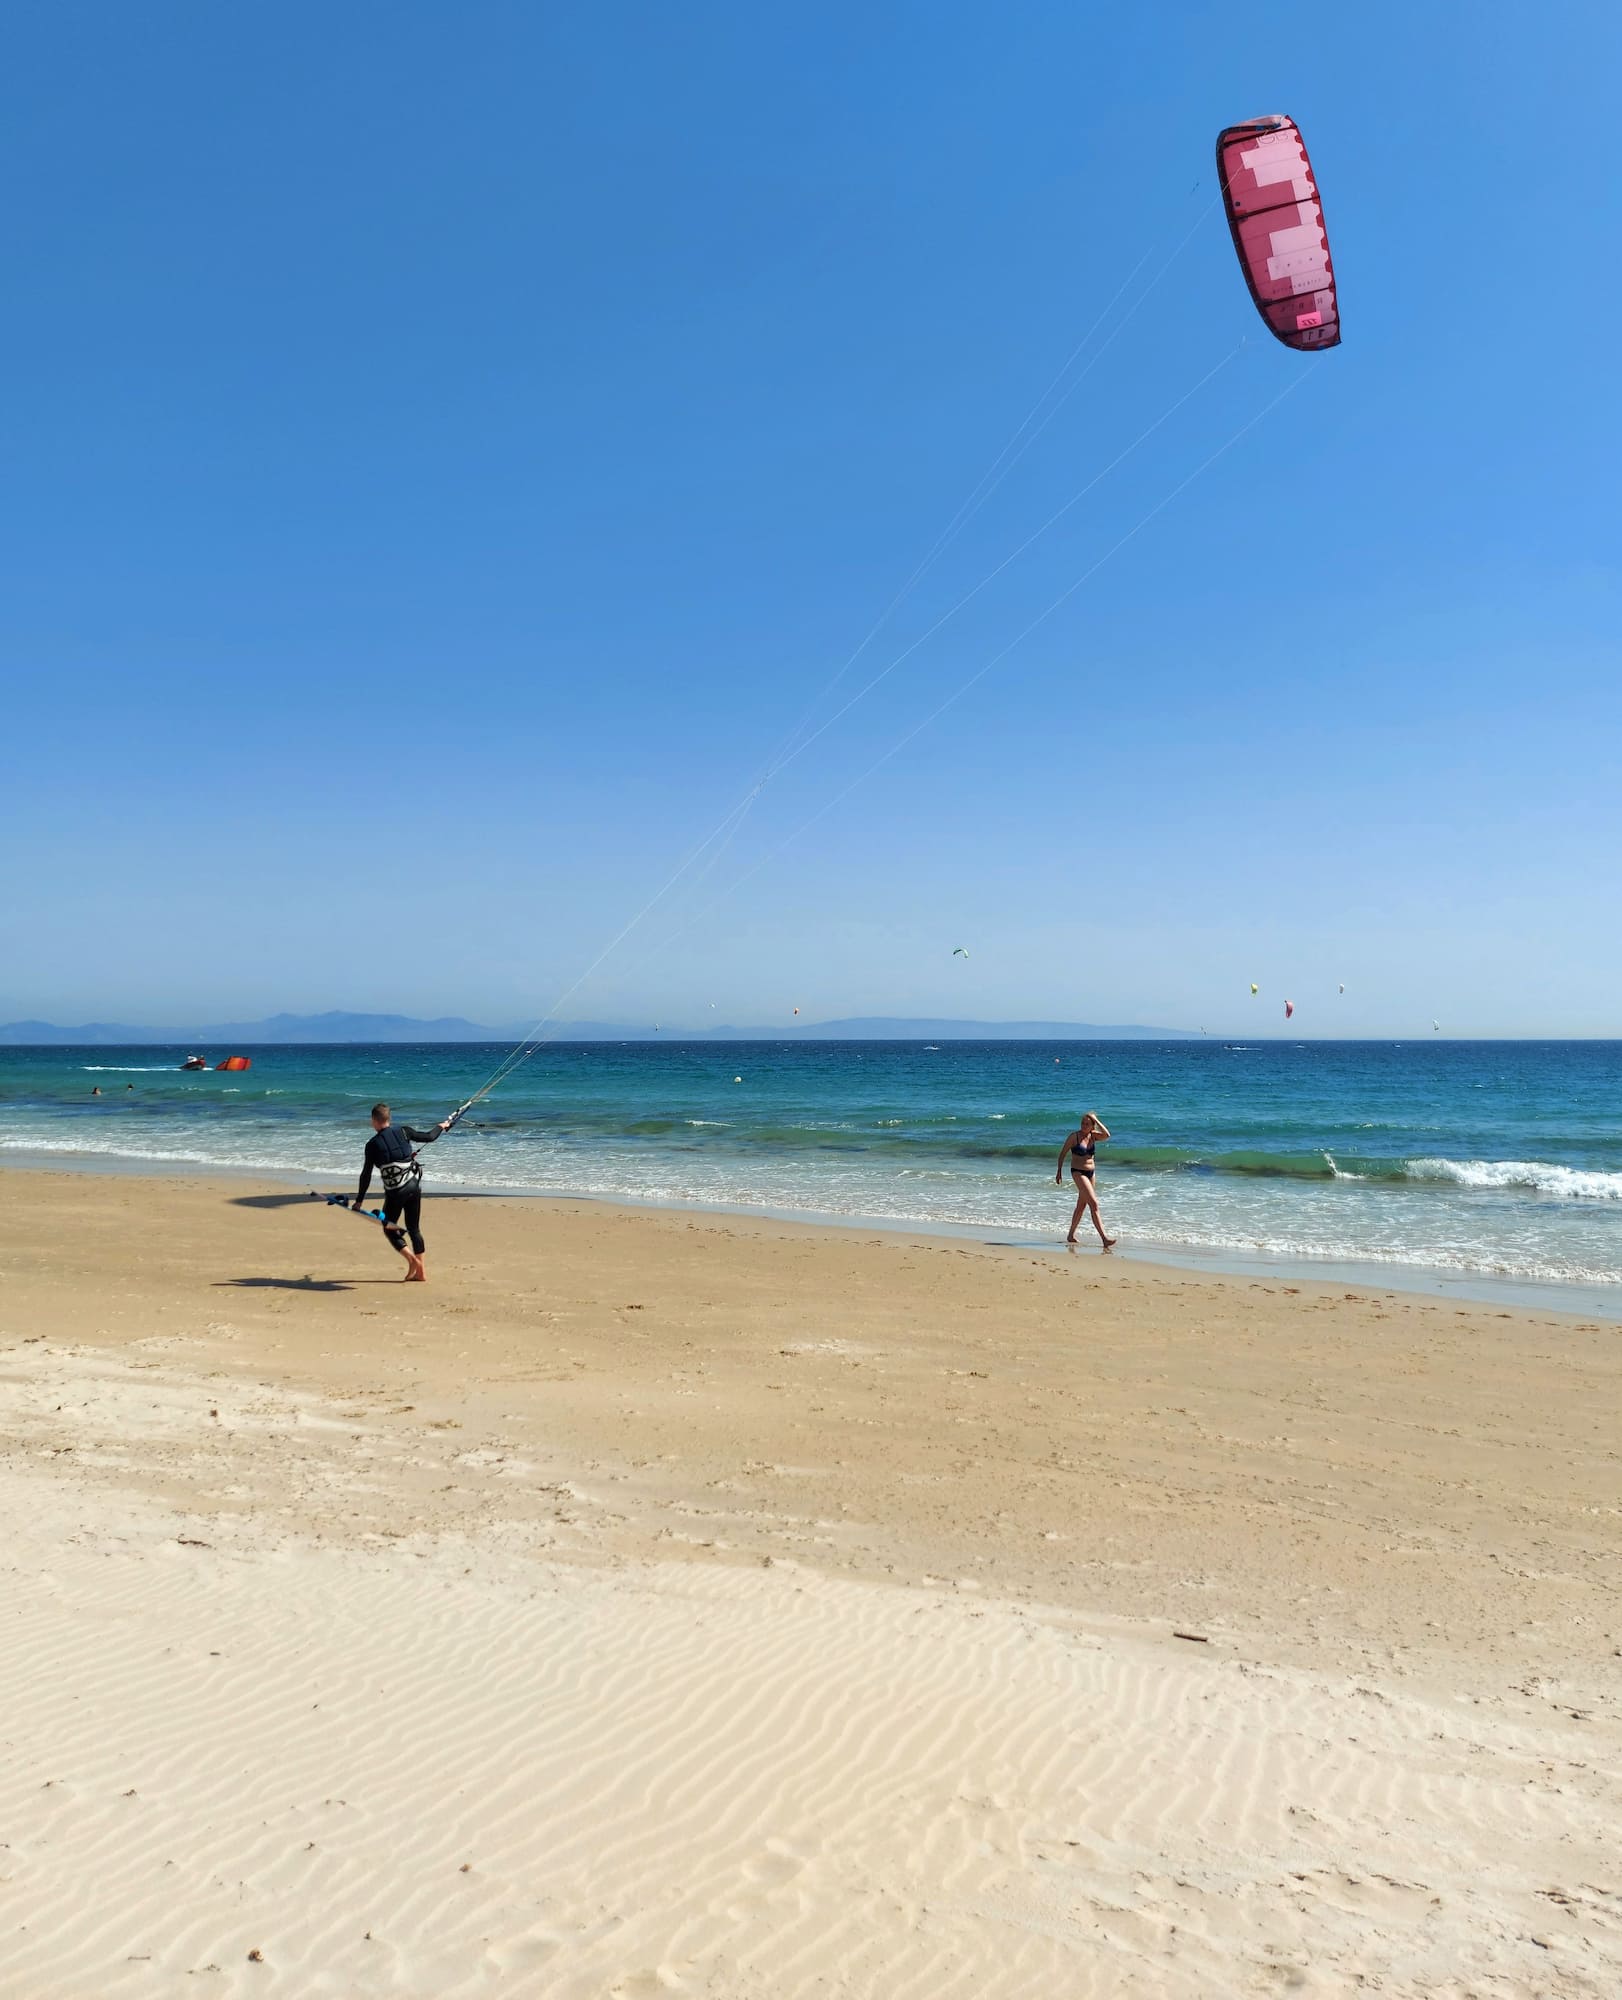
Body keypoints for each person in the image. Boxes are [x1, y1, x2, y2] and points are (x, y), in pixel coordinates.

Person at [356, 1102, 450, 1282]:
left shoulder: (372, 1145)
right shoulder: (404, 1131)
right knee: (414, 1229)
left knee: (389, 1228)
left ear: (374, 1121)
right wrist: (441, 1126)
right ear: (388, 1119)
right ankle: (421, 1273)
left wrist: (360, 1200)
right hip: (414, 1187)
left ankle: (412, 1260)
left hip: (395, 1193)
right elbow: (429, 1137)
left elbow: (366, 1175)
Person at [1055, 1111, 1117, 1249]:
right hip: (1078, 1172)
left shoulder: (1093, 1136)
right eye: (1082, 1123)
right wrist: (1059, 1171)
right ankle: (1104, 1238)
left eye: (1087, 1124)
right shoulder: (1074, 1136)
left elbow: (1107, 1135)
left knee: (1081, 1205)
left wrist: (1097, 1120)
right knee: (1094, 1204)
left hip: (1091, 1173)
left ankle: (1070, 1235)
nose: (1084, 1125)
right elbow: (1062, 1154)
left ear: (1092, 1126)